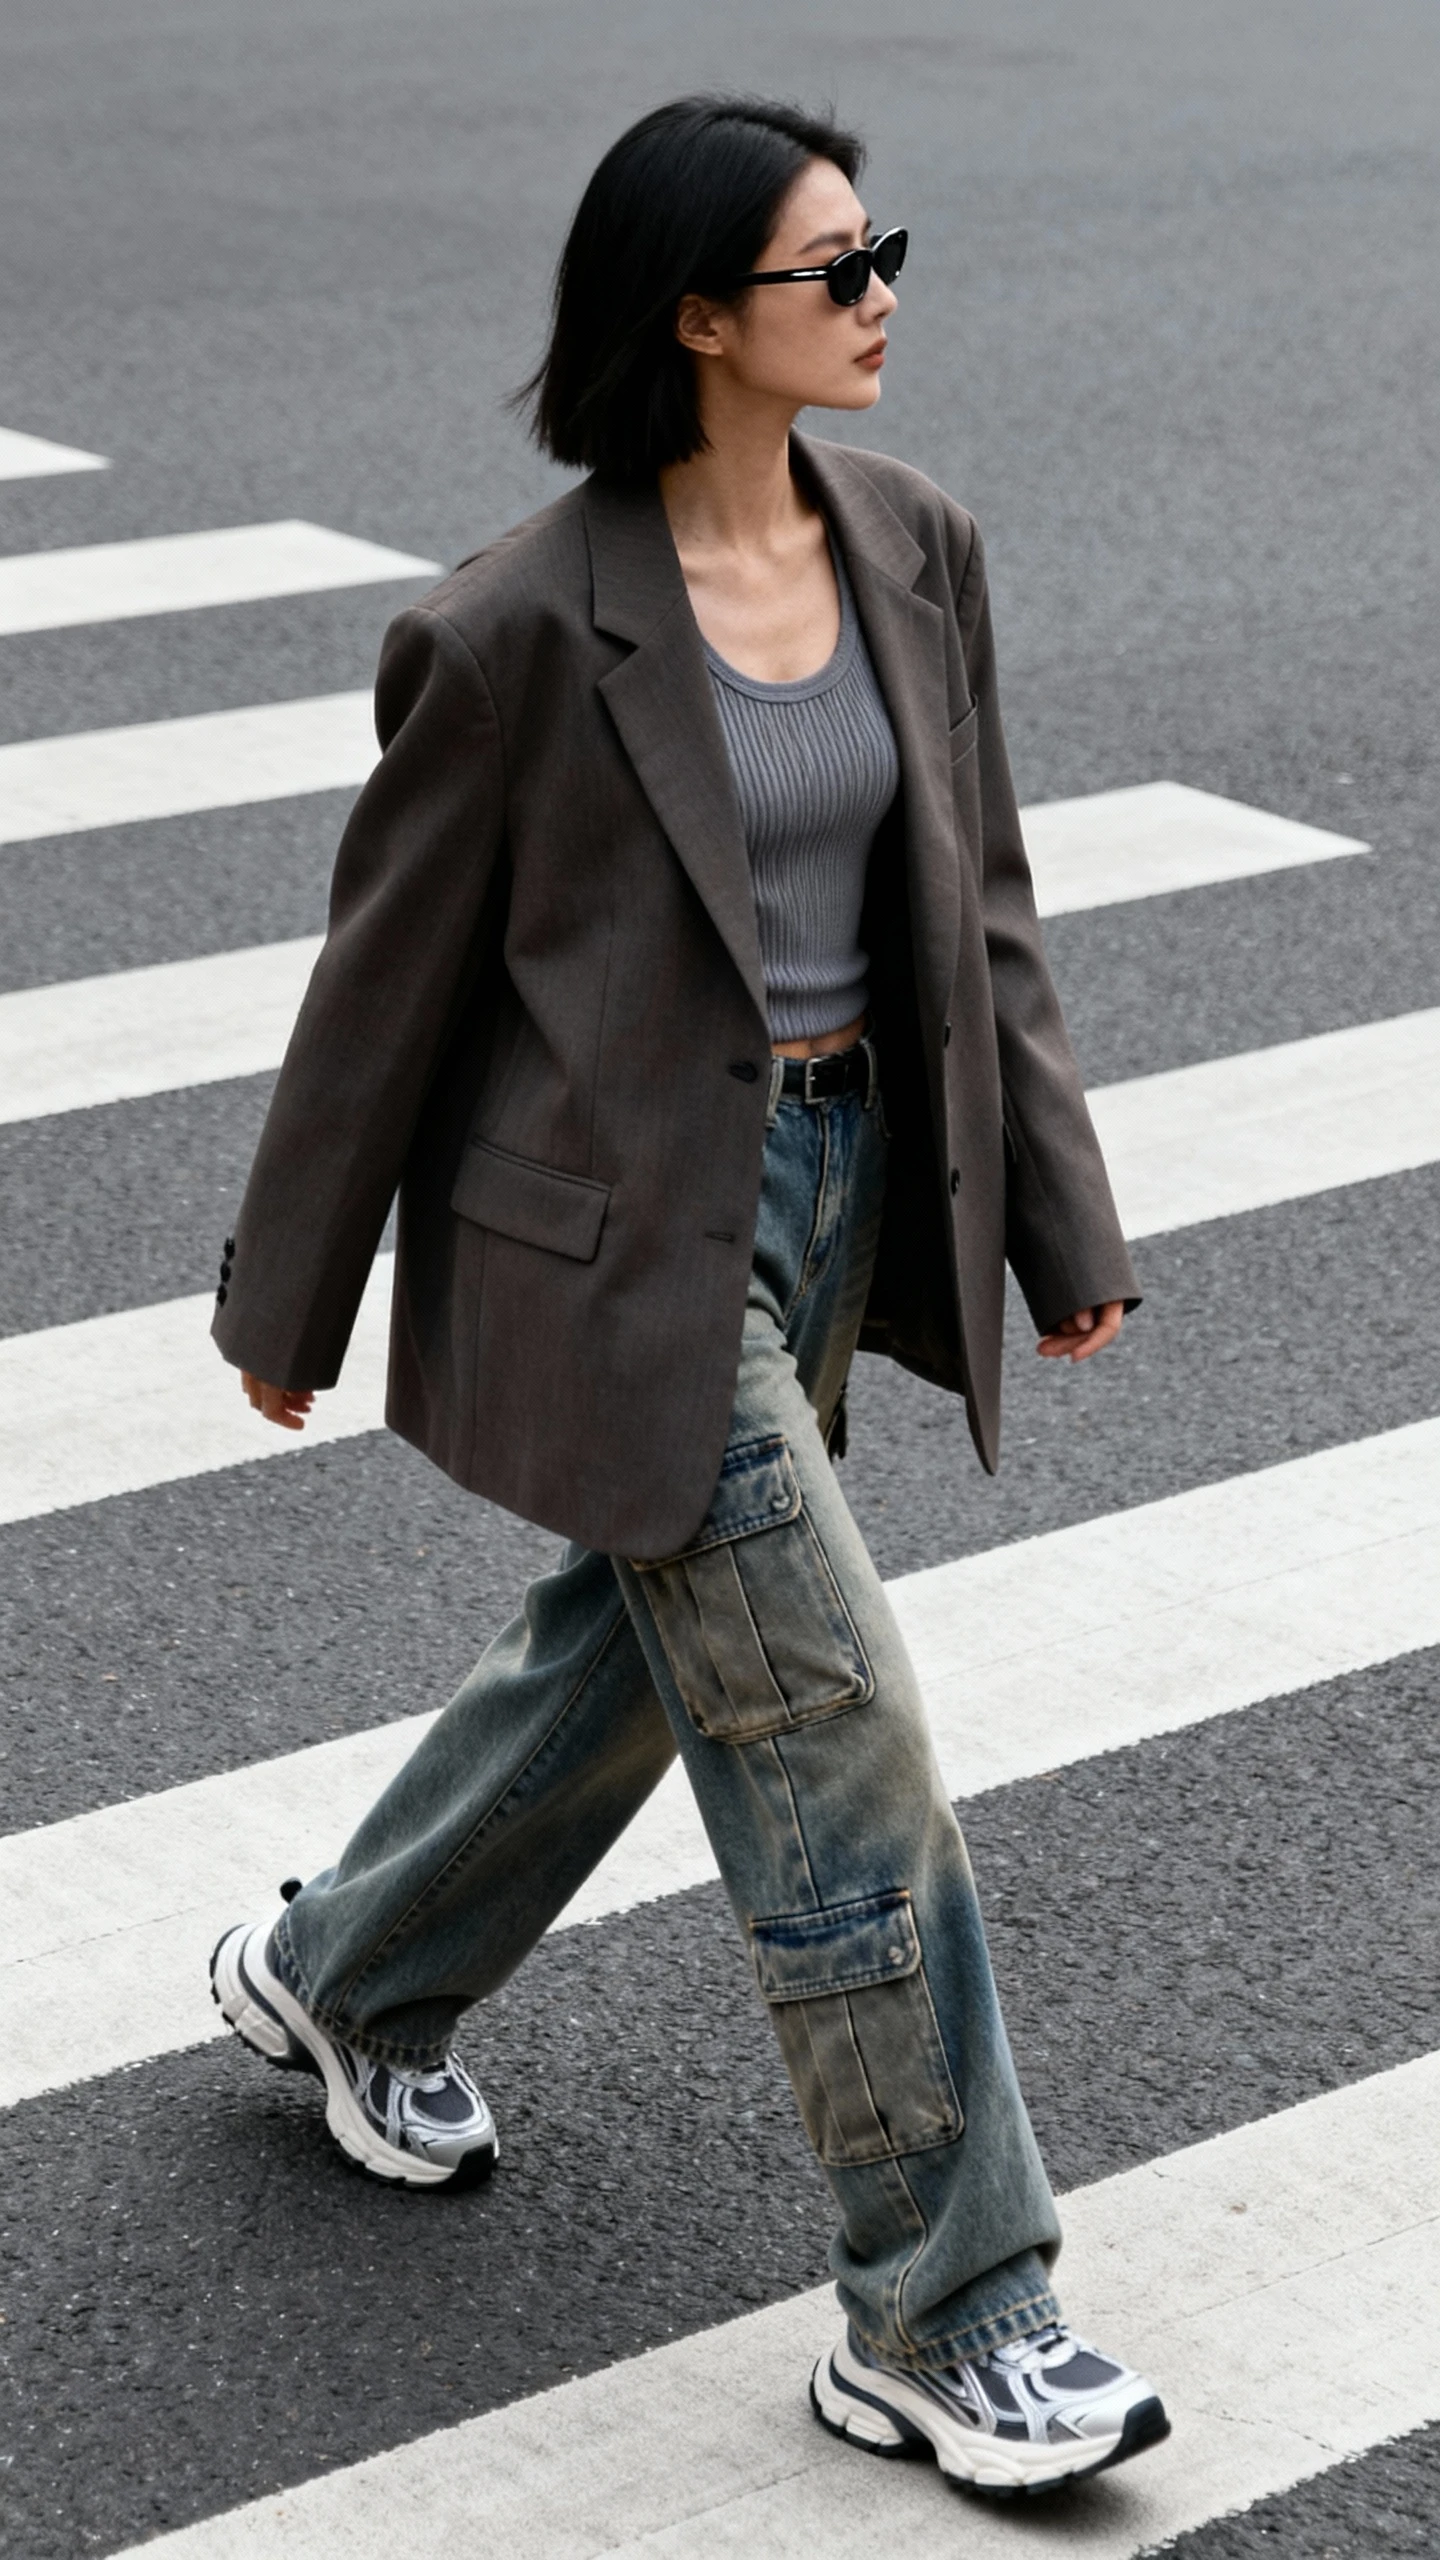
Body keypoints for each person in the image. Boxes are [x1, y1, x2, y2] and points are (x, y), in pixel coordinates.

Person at [209, 94, 1167, 2500]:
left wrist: (1057, 1220)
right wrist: (287, 1295)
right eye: (836, 268)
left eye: (879, 249)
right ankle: (950, 2304)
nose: (882, 296)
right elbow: (381, 991)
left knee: (649, 1640)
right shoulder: (515, 628)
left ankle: (344, 1967)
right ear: (700, 317)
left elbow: (987, 902)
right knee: (829, 1713)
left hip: (842, 1187)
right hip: (636, 1241)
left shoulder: (913, 542)